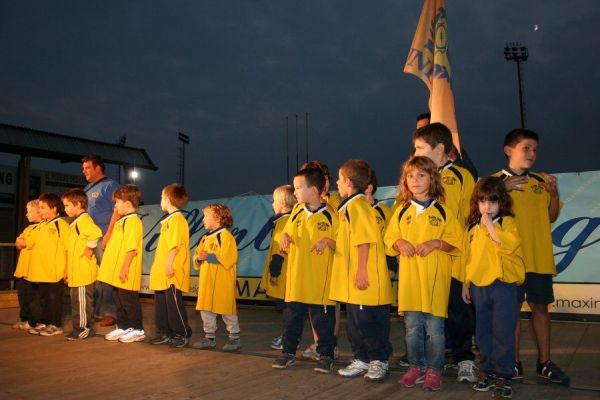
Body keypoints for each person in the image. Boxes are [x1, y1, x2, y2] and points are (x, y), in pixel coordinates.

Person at [495, 128, 570, 385]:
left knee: (541, 308)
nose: (532, 154)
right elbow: (481, 216)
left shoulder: (541, 182)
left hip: (538, 258)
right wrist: (500, 190)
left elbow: (550, 217)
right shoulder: (492, 182)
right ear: (508, 150)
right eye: (526, 148)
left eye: (535, 150)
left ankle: (544, 363)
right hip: (509, 260)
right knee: (511, 312)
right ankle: (512, 363)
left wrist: (554, 194)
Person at [384, 156, 463, 391]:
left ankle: (434, 369)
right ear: (404, 180)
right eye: (410, 176)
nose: (415, 180)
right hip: (410, 284)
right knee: (412, 328)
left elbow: (457, 243)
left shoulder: (444, 212)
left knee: (435, 331)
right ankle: (416, 367)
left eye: (421, 175)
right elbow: (388, 238)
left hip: (434, 283)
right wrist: (399, 242)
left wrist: (437, 243)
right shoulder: (401, 211)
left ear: (432, 178)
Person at [412, 122, 477, 383]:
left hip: (453, 256)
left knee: (458, 309)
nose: (415, 152)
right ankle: (431, 358)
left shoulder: (460, 176)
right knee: (428, 312)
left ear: (439, 149)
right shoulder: (417, 177)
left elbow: (473, 215)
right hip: (425, 260)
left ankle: (464, 359)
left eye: (419, 147)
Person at [330, 160, 394, 381]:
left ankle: (379, 360)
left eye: (339, 179)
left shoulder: (358, 206)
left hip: (364, 279)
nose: (337, 183)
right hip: (352, 282)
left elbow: (364, 240)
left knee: (368, 323)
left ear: (348, 182)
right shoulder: (348, 206)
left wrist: (361, 270)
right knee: (356, 323)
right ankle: (362, 358)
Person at [462, 177, 525, 399]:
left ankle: (504, 375)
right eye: (483, 201)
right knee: (483, 332)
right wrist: (465, 283)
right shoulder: (472, 229)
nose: (487, 207)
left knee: (503, 331)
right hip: (479, 286)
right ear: (476, 203)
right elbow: (468, 259)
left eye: (493, 201)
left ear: (502, 203)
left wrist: (489, 225)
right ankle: (489, 371)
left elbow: (508, 243)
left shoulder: (507, 223)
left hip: (503, 284)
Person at [271, 168, 338, 373]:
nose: (296, 191)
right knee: (291, 320)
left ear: (315, 190)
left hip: (320, 283)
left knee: (323, 323)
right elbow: (288, 232)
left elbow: (340, 244)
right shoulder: (297, 212)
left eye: (299, 187)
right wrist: (285, 237)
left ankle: (326, 355)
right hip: (296, 282)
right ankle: (288, 353)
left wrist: (327, 241)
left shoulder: (331, 215)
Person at [296, 160, 342, 360]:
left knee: (331, 306)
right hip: (308, 267)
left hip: (330, 266)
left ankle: (331, 344)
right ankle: (318, 343)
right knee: (313, 307)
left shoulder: (335, 204)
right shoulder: (302, 207)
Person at [97, 184, 145, 343]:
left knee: (129, 301)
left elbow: (131, 248)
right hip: (116, 270)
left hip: (126, 270)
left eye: (117, 202)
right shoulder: (121, 221)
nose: (115, 206)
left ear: (127, 204)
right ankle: (123, 327)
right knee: (119, 300)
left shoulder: (133, 221)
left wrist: (125, 267)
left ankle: (138, 330)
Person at [192, 203, 241, 352]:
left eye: (206, 216)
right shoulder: (204, 238)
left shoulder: (226, 237)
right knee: (206, 309)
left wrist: (209, 256)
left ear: (218, 218)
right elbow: (196, 258)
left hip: (222, 282)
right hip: (207, 282)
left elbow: (230, 258)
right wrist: (199, 259)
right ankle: (209, 338)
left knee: (227, 310)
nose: (203, 220)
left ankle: (234, 338)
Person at [148, 183, 192, 348]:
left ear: (168, 199)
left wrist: (169, 264)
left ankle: (182, 333)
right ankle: (164, 332)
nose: (160, 200)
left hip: (171, 269)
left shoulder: (178, 219)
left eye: (161, 197)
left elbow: (174, 245)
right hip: (161, 270)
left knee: (173, 303)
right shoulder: (168, 220)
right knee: (161, 304)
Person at [82, 155, 120, 327]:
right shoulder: (87, 188)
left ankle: (110, 312)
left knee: (107, 276)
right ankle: (98, 311)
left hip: (105, 237)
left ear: (98, 168)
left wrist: (109, 235)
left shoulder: (110, 185)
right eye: (83, 168)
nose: (84, 171)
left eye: (87, 168)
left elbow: (117, 211)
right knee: (96, 276)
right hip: (91, 238)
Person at [62, 189, 102, 340]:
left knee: (82, 302)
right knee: (77, 302)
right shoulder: (76, 222)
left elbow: (96, 233)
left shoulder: (84, 220)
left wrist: (89, 248)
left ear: (78, 204)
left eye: (67, 205)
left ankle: (83, 329)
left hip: (83, 271)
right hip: (76, 272)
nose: (65, 209)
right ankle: (81, 327)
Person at [259, 184, 297, 350]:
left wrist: (274, 273)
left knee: (289, 310)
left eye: (274, 201)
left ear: (282, 202)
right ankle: (288, 336)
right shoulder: (290, 220)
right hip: (290, 274)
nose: (272, 204)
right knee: (291, 309)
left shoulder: (283, 223)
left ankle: (287, 339)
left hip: (283, 276)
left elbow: (278, 252)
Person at [27, 193, 69, 337]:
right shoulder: (41, 226)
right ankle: (44, 322)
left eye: (43, 208)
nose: (40, 211)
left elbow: (67, 248)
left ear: (53, 208)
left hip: (55, 271)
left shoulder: (61, 224)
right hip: (42, 272)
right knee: (44, 298)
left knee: (55, 299)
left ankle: (55, 325)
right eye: (39, 208)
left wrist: (66, 269)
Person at [13, 200, 42, 331]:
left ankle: (33, 321)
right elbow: (18, 242)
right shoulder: (28, 228)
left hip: (33, 270)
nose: (26, 214)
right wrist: (21, 241)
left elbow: (25, 243)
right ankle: (23, 318)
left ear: (39, 212)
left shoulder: (42, 228)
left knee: (33, 297)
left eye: (30, 211)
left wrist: (23, 242)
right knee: (22, 295)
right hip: (22, 269)